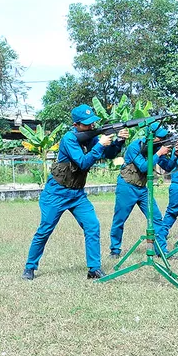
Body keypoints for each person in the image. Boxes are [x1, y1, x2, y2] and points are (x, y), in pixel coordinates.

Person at [22, 104, 128, 281]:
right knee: (45, 230)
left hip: (77, 194)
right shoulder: (69, 139)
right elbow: (83, 162)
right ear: (76, 124)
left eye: (92, 123)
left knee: (92, 225)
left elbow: (108, 154)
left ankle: (94, 269)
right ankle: (29, 267)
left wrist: (119, 141)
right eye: (86, 124)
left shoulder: (91, 138)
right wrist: (100, 144)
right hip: (56, 193)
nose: (91, 127)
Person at [108, 123, 176, 257]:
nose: (161, 139)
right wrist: (158, 153)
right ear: (150, 136)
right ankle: (114, 251)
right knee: (119, 219)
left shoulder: (156, 147)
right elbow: (144, 167)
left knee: (156, 218)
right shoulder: (135, 146)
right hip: (127, 186)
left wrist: (174, 153)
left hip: (142, 189)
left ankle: (161, 251)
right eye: (159, 137)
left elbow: (168, 167)